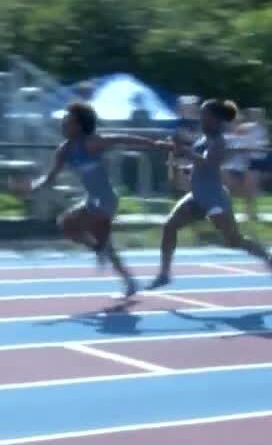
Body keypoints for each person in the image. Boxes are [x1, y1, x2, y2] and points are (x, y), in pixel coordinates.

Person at [32, 102, 169, 299]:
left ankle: (101, 250)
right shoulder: (63, 150)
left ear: (79, 126)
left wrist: (154, 144)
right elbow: (50, 178)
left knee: (68, 222)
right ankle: (128, 280)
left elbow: (122, 138)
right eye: (63, 121)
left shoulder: (90, 142)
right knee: (80, 232)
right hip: (93, 200)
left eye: (67, 122)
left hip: (105, 200)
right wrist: (32, 186)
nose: (62, 125)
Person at [147, 99, 272, 290]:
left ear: (215, 119)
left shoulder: (219, 141)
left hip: (214, 198)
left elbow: (209, 164)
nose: (200, 118)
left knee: (233, 240)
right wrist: (178, 159)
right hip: (197, 196)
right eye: (200, 114)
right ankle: (164, 274)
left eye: (204, 115)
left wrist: (184, 151)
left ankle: (269, 256)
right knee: (169, 227)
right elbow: (196, 163)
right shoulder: (203, 139)